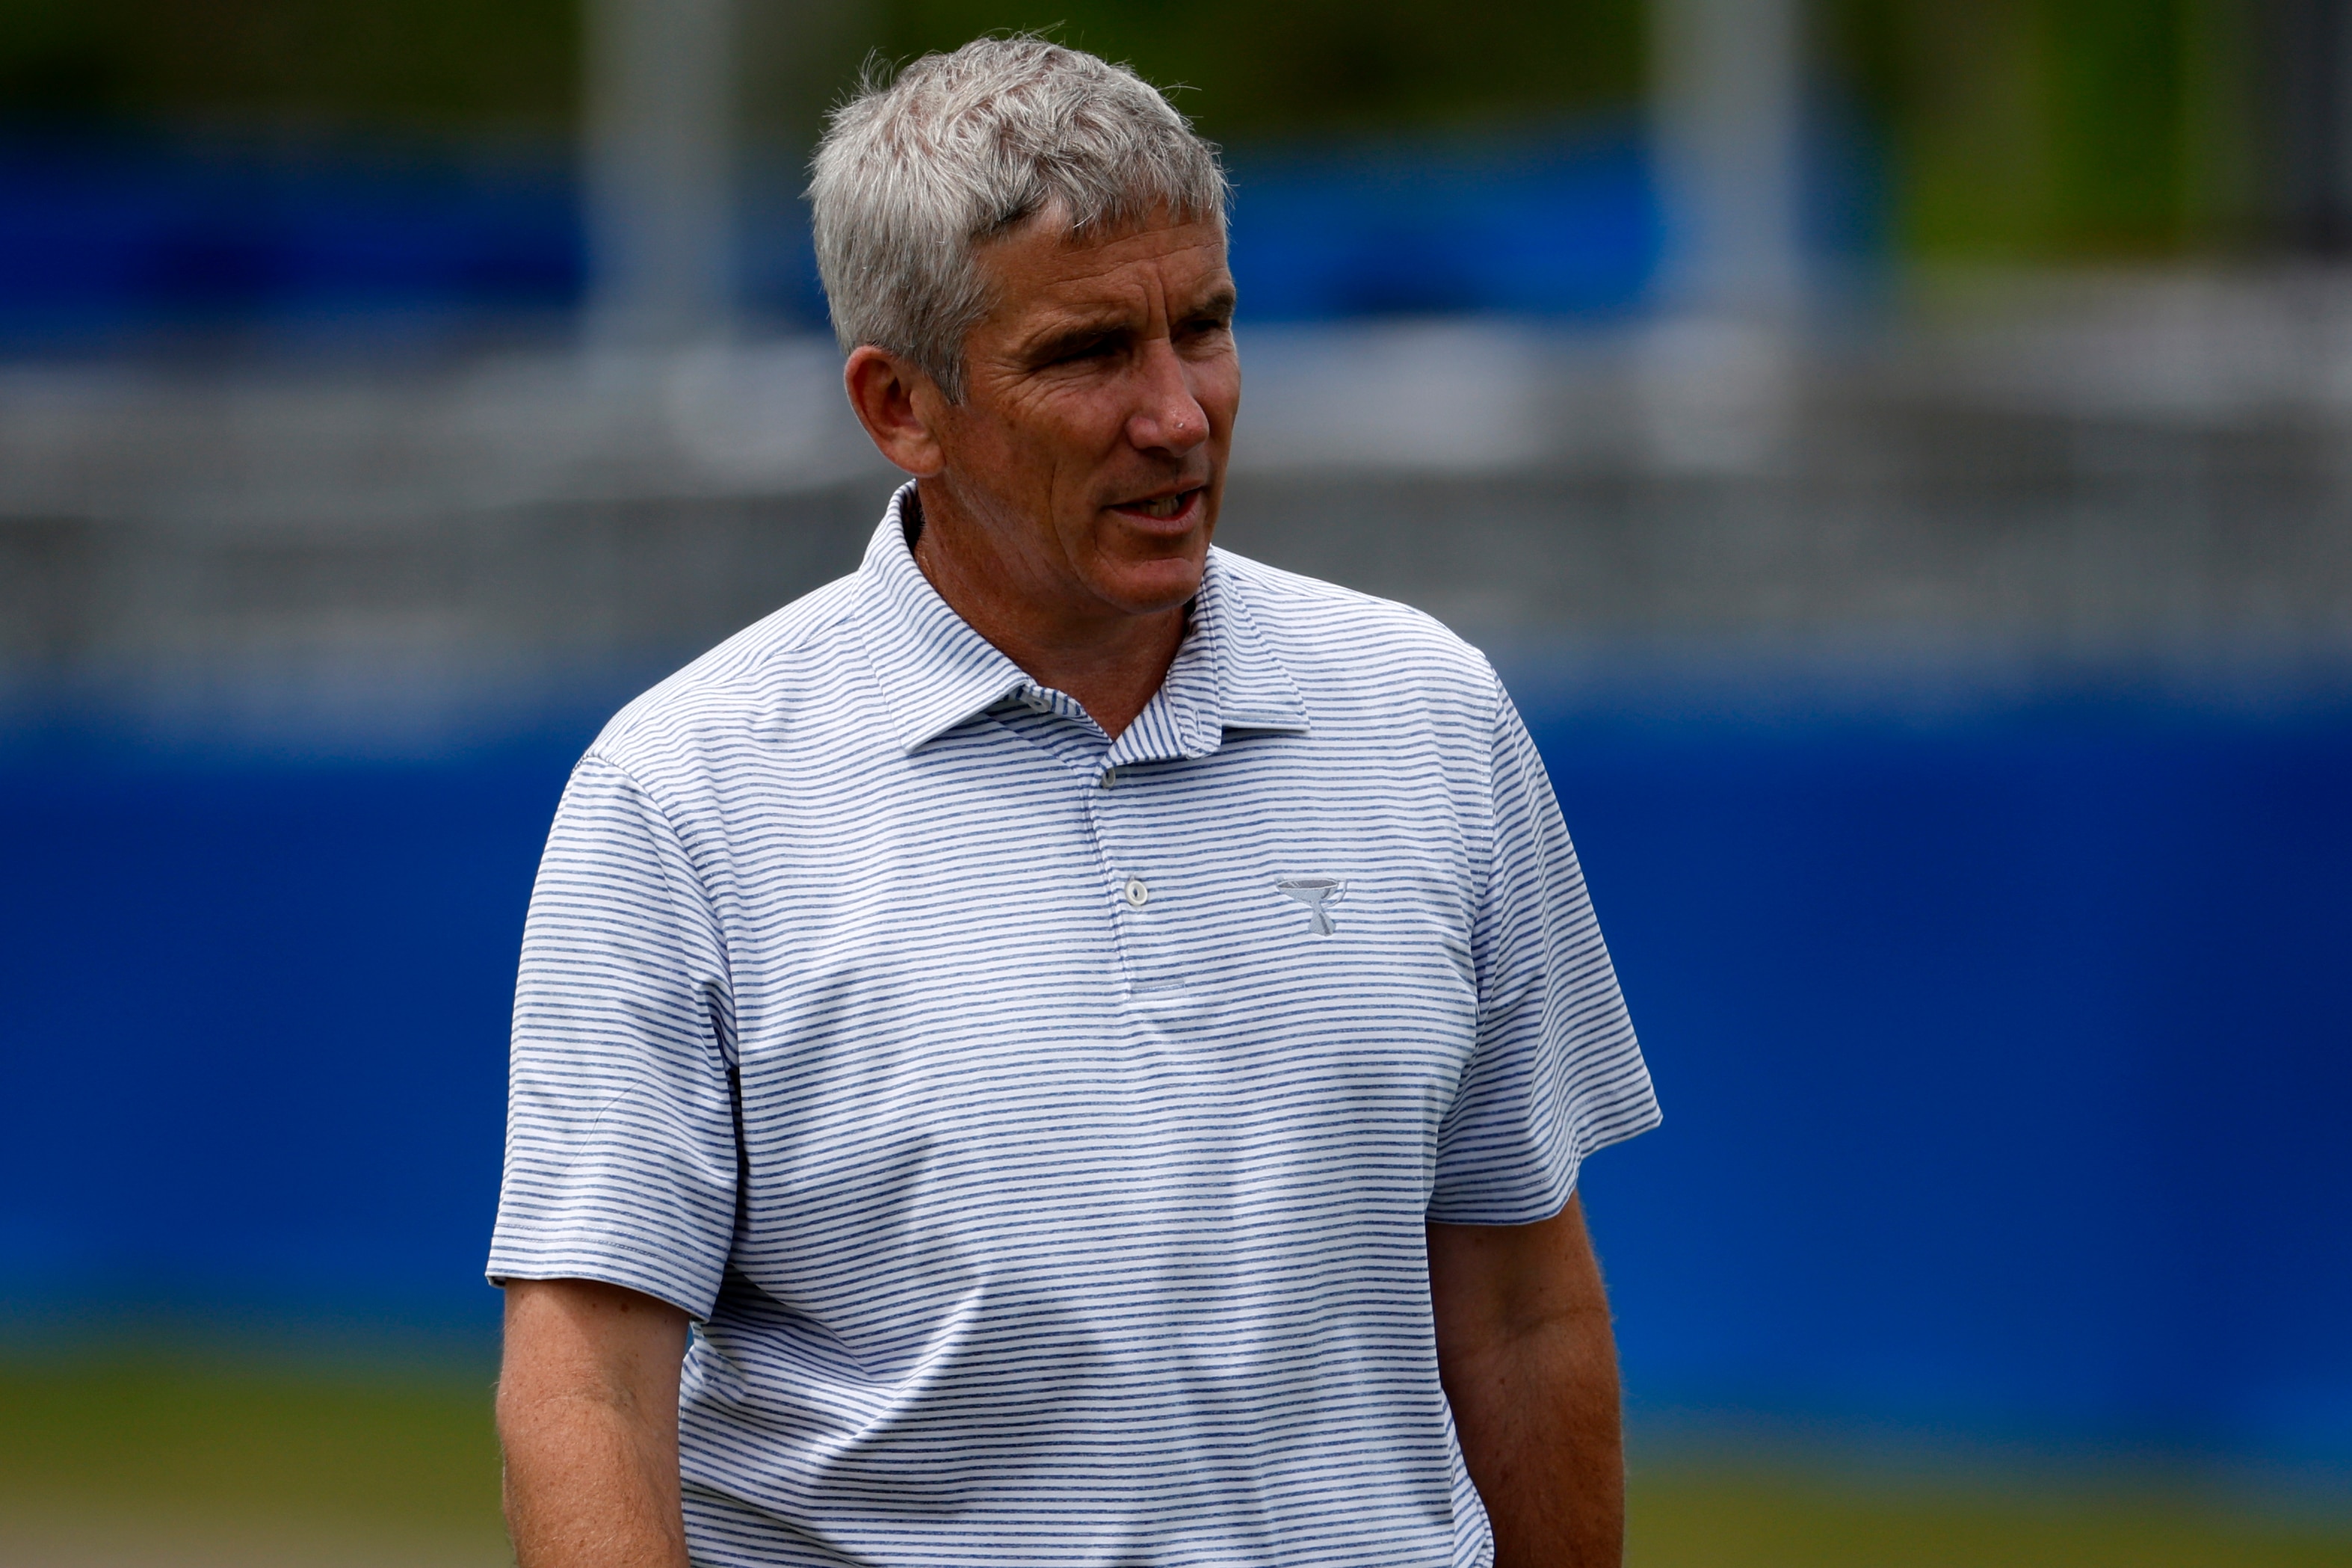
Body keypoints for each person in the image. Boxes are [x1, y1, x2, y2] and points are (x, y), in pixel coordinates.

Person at [489, 35, 1659, 1568]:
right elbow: (588, 1378)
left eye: (1207, 326)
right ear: (899, 404)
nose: (1177, 412)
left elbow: (1519, 1300)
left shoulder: (1427, 716)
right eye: (1090, 352)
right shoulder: (682, 794)